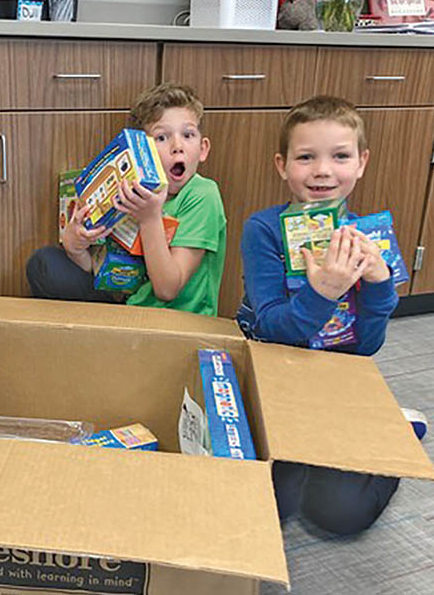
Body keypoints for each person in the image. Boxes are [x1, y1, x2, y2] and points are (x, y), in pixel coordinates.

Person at [237, 95, 409, 535]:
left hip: (336, 386)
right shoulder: (263, 229)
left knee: (337, 515)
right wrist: (323, 292)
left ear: (362, 162)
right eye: (306, 157)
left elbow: (366, 345)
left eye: (340, 156)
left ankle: (395, 435)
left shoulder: (368, 238)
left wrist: (377, 284)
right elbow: (273, 328)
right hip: (278, 379)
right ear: (282, 165)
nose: (323, 171)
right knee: (268, 505)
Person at [26, 83, 226, 316]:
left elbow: (167, 289)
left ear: (202, 149)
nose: (177, 147)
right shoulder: (132, 192)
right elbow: (111, 277)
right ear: (141, 151)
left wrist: (149, 219)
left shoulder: (202, 194)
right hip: (131, 312)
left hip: (176, 323)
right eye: (162, 137)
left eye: (188, 135)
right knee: (44, 263)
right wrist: (76, 249)